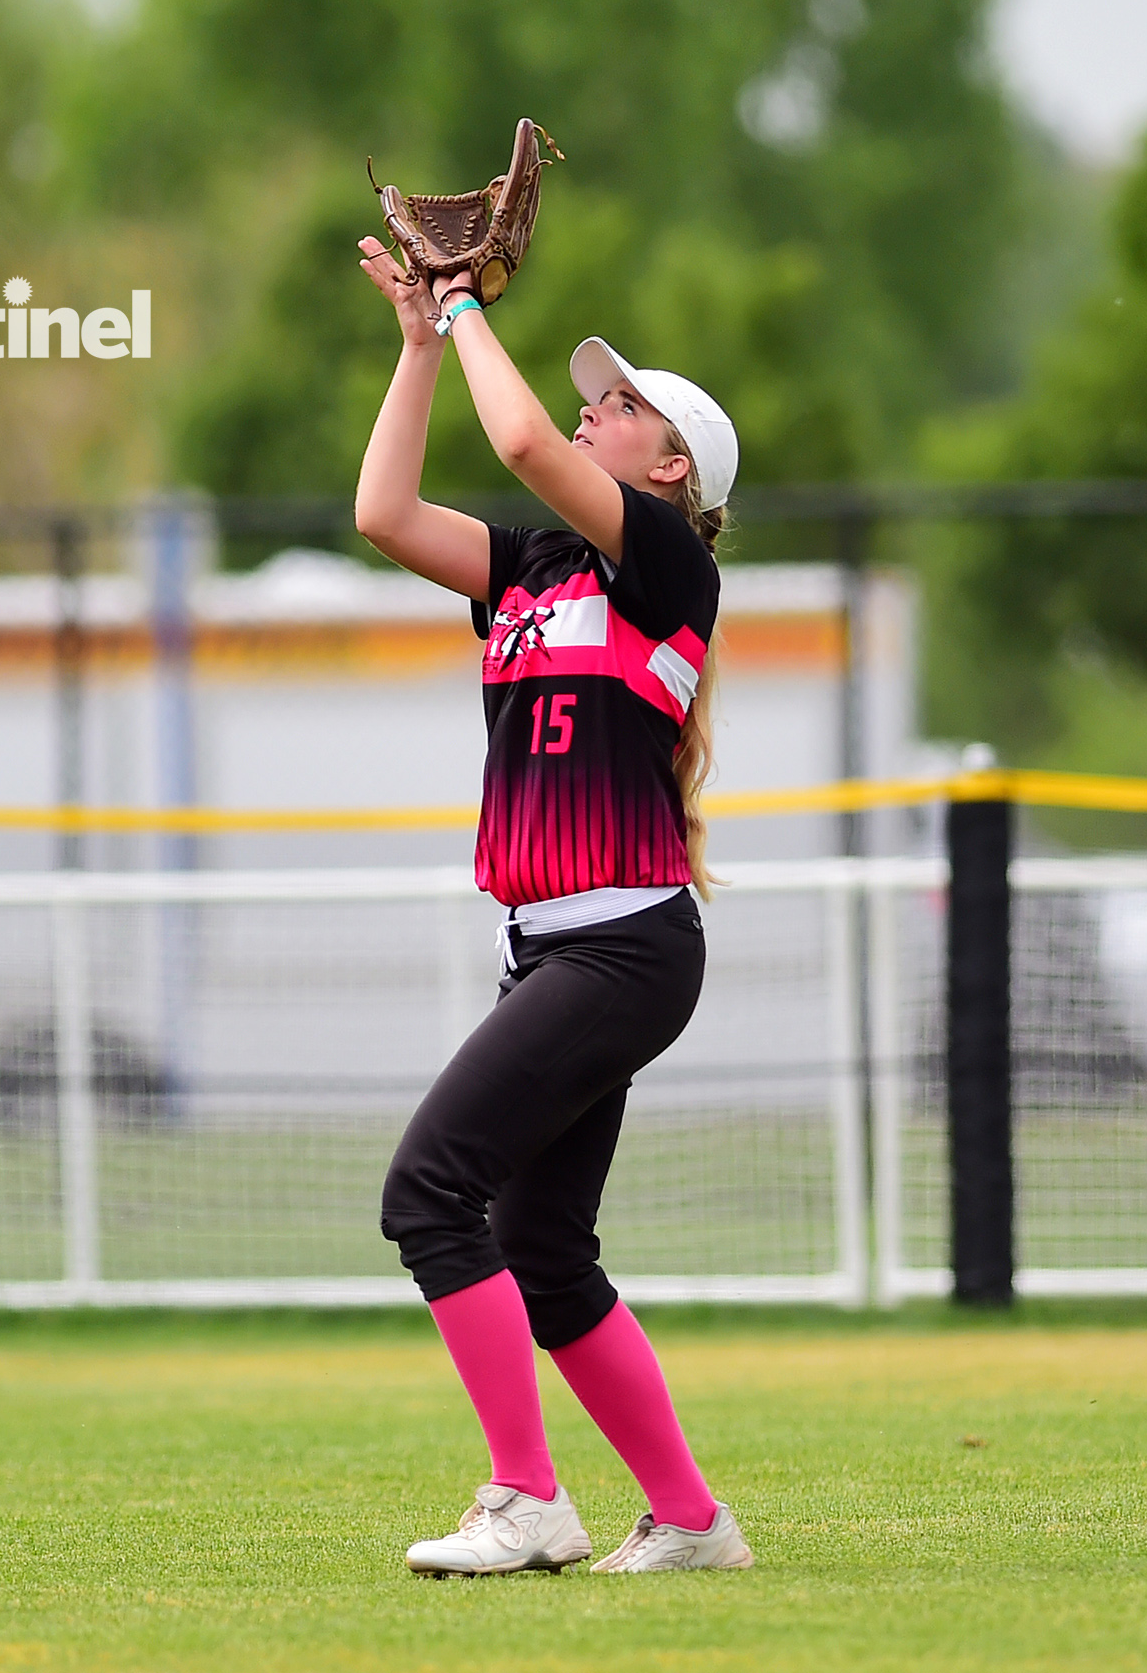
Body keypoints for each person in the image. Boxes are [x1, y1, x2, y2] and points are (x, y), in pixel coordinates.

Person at [349, 234, 757, 1574]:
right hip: (558, 952)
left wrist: (466, 303)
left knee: (430, 1192)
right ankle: (692, 1521)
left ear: (670, 468)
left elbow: (522, 439)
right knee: (540, 1244)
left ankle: (527, 1497)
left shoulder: (667, 570)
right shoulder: (533, 571)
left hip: (624, 945)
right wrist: (418, 345)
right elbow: (386, 519)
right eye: (598, 398)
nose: (594, 411)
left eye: (623, 407)